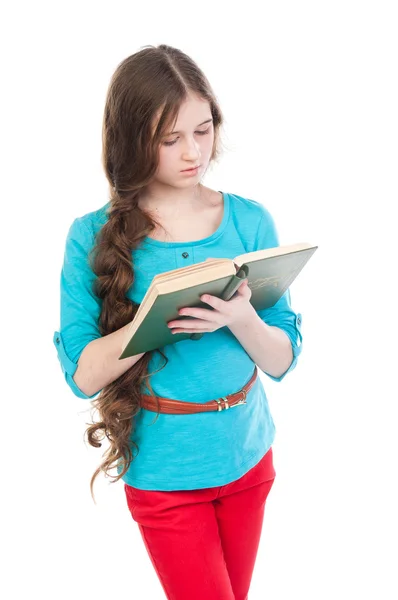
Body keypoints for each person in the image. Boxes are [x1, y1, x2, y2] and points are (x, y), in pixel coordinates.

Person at [53, 44, 303, 600]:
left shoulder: (249, 219)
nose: (193, 152)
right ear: (132, 140)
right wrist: (153, 319)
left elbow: (283, 359)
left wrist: (241, 317)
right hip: (166, 473)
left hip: (248, 455)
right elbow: (83, 374)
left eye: (203, 130)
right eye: (170, 139)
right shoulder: (90, 236)